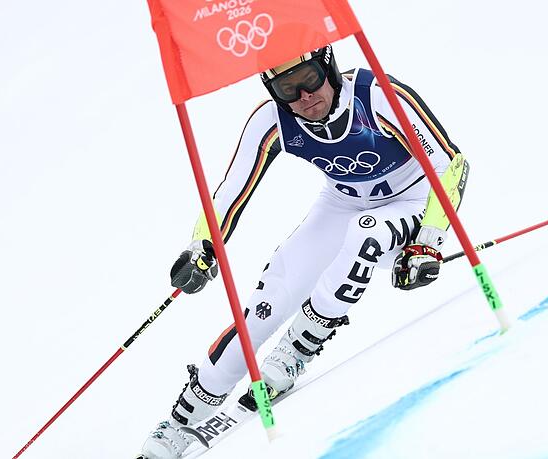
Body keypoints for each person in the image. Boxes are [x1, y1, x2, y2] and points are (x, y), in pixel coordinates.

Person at [139, 45, 466, 459]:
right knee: (269, 301)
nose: (304, 97)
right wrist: (201, 247)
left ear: (328, 68)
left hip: (413, 201)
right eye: (287, 89)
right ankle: (181, 421)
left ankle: (297, 350)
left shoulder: (376, 95)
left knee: (364, 233)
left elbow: (451, 165)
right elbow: (230, 191)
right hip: (342, 202)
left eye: (309, 80)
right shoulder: (272, 119)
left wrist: (428, 241)